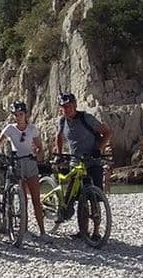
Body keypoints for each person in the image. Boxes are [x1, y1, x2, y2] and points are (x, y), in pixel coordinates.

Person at [0, 101, 49, 240]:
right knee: (22, 198)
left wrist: (38, 154)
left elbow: (39, 146)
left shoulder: (32, 129)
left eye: (20, 114)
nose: (18, 117)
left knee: (36, 199)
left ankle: (43, 231)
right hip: (17, 163)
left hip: (30, 163)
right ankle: (23, 229)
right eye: (15, 115)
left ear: (25, 114)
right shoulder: (9, 128)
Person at [54, 92, 112, 240]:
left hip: (93, 162)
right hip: (76, 162)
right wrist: (59, 154)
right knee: (78, 198)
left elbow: (106, 132)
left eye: (68, 106)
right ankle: (83, 231)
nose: (66, 109)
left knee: (94, 197)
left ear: (74, 105)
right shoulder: (62, 121)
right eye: (63, 107)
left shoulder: (86, 118)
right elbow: (59, 137)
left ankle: (97, 232)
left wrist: (98, 149)